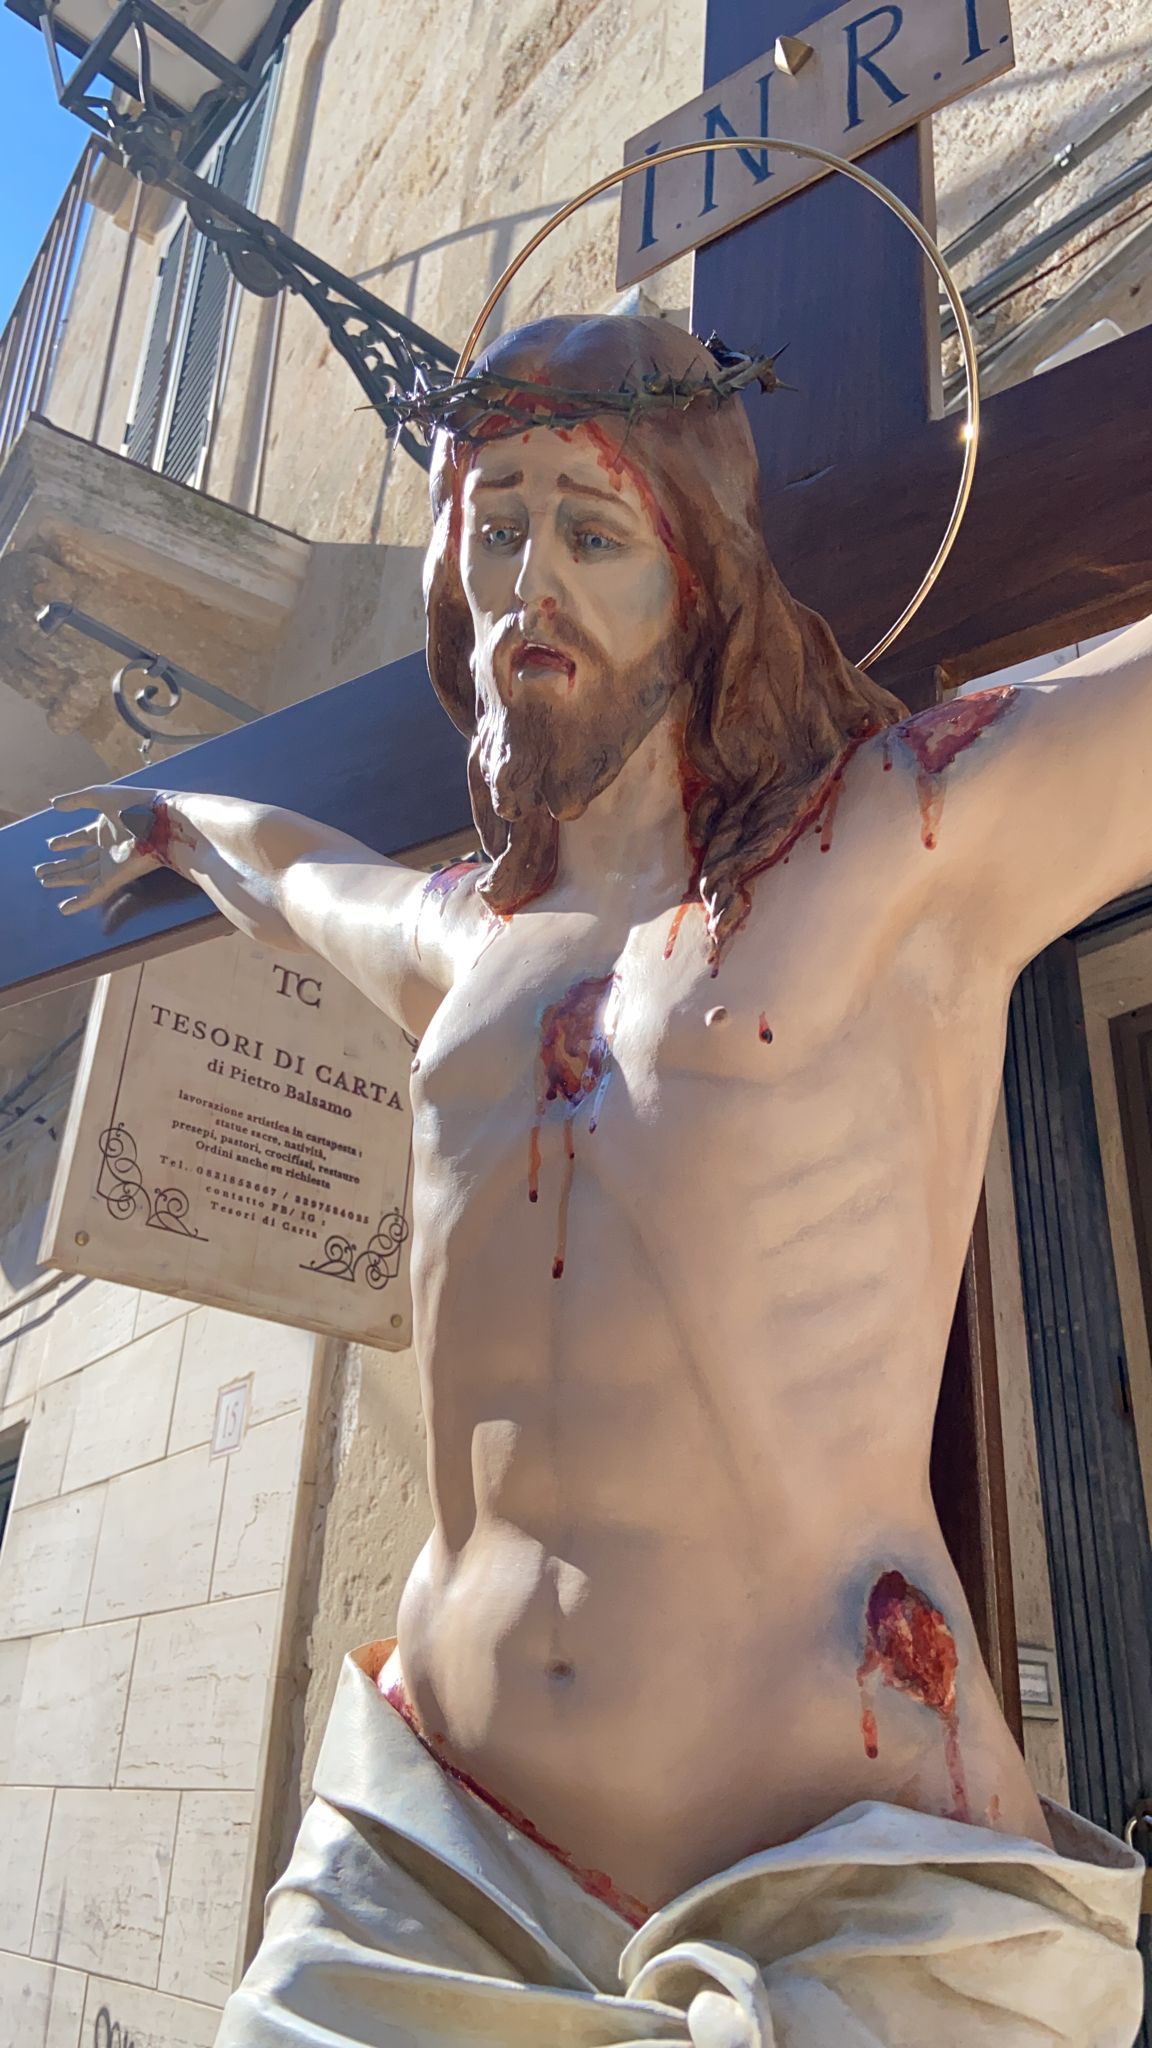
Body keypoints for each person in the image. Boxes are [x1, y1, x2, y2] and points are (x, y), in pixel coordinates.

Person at [39, 316, 1146, 2045]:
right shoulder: (469, 945)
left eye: (591, 530)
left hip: (841, 1887)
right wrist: (179, 824)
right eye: (495, 533)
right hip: (436, 1851)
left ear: (699, 575)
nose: (528, 585)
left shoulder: (894, 841)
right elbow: (298, 877)